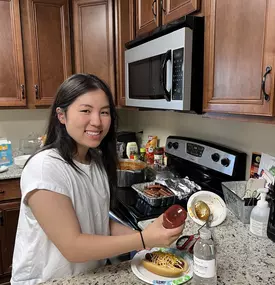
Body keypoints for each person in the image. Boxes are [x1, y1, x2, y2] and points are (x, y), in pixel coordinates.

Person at [11, 74, 184, 285]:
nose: (97, 121)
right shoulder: (45, 168)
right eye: (85, 110)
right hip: (48, 280)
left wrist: (143, 237)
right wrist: (143, 239)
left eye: (104, 112)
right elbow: (73, 247)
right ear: (61, 115)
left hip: (88, 277)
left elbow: (98, 220)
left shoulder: (95, 159)